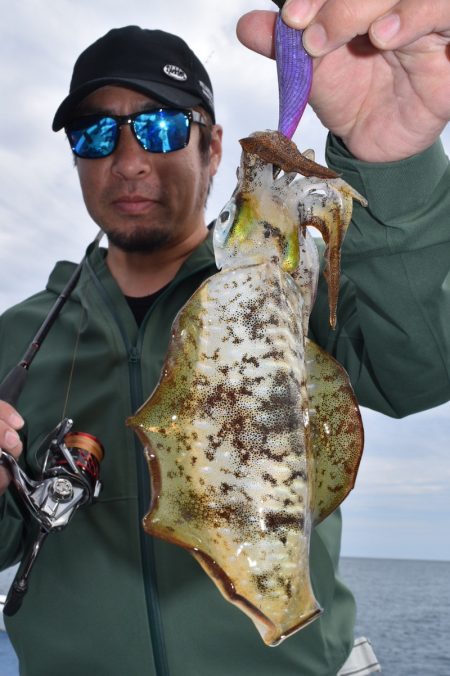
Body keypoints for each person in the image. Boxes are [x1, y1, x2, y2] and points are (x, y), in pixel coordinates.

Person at [0, 2, 449, 673]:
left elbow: (422, 369)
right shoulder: (16, 339)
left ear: (212, 149)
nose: (126, 159)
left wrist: (395, 165)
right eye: (96, 136)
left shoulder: (293, 293)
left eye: (158, 127)